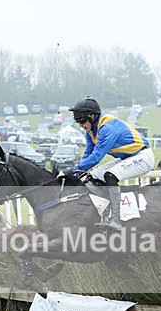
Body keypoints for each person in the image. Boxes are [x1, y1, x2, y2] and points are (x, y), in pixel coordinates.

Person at [58, 97, 154, 230]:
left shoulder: (107, 128)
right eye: (77, 121)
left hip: (143, 157)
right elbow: (88, 154)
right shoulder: (91, 131)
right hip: (127, 157)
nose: (80, 125)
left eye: (82, 120)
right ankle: (104, 213)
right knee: (94, 177)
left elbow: (96, 157)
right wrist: (78, 171)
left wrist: (73, 170)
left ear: (92, 116)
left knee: (110, 175)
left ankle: (117, 220)